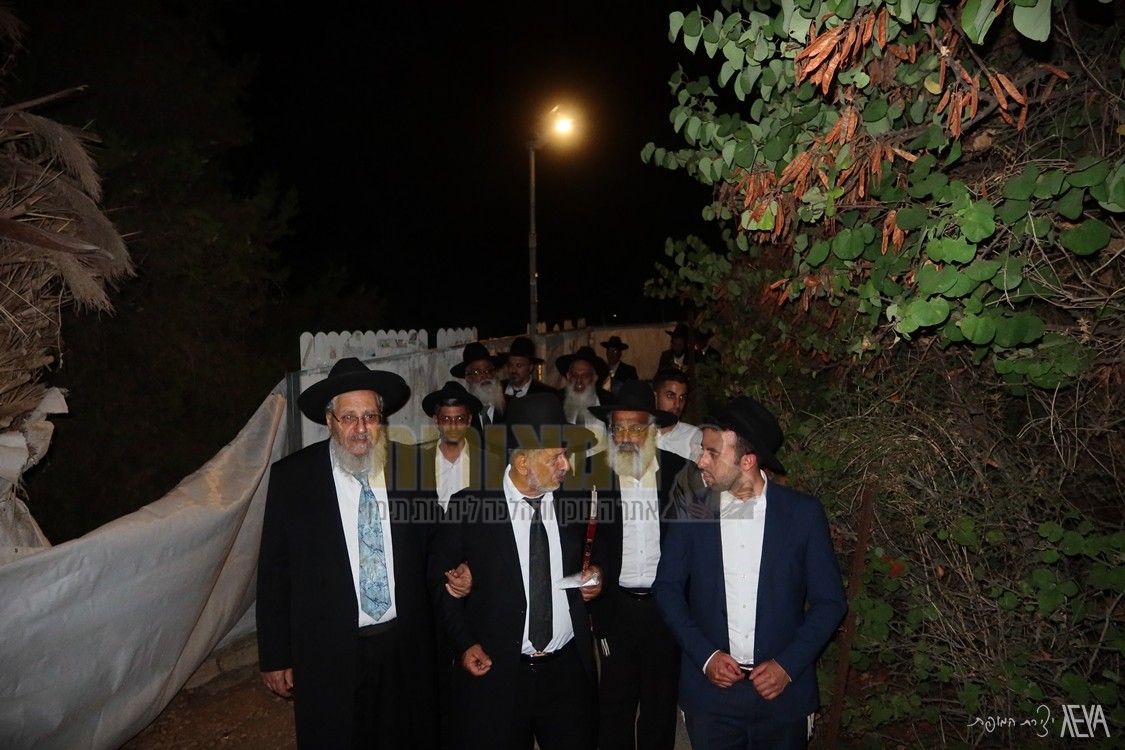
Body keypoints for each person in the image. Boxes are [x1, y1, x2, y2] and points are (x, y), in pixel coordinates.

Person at [256, 357, 440, 749]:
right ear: (330, 420)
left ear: (381, 419)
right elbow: (274, 572)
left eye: (370, 416)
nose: (360, 428)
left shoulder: (411, 465)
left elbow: (435, 543)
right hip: (328, 647)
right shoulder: (294, 478)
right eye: (349, 417)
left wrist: (461, 568)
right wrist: (275, 655)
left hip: (403, 643)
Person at [652, 396, 847, 750]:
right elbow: (666, 588)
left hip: (783, 694)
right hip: (711, 695)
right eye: (702, 451)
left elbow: (830, 602)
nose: (700, 461)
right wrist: (706, 657)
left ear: (747, 460)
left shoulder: (802, 514)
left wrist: (787, 666)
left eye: (712, 453)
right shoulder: (691, 510)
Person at [430, 393, 603, 750]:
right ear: (523, 462)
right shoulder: (470, 508)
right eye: (555, 457)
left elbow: (594, 557)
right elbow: (438, 584)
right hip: (499, 671)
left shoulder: (575, 500)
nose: (566, 466)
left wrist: (595, 576)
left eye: (565, 455)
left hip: (566, 670)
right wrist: (464, 643)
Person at [585, 381, 687, 750]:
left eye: (636, 427)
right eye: (618, 428)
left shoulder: (682, 473)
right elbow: (580, 537)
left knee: (661, 701)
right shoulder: (591, 472)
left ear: (652, 428)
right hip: (616, 604)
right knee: (614, 701)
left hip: (666, 605)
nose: (626, 437)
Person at [420, 380, 484, 515]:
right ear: (436, 421)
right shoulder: (420, 463)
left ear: (469, 420)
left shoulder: (488, 463)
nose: (453, 426)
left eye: (460, 419)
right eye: (446, 419)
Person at [651, 368, 703, 462]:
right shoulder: (637, 433)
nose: (677, 404)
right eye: (670, 396)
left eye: (682, 397)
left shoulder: (693, 436)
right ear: (655, 397)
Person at [451, 341, 506, 428]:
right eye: (477, 372)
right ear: (468, 378)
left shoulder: (513, 406)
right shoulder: (464, 412)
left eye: (487, 370)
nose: (484, 376)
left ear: (494, 373)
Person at [555, 345, 613, 427]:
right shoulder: (556, 403)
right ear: (568, 377)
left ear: (594, 378)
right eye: (574, 375)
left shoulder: (608, 404)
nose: (579, 381)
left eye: (585, 376)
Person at [501, 336, 557, 400]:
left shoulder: (545, 394)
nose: (513, 370)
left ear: (530, 367)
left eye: (519, 366)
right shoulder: (498, 389)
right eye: (510, 365)